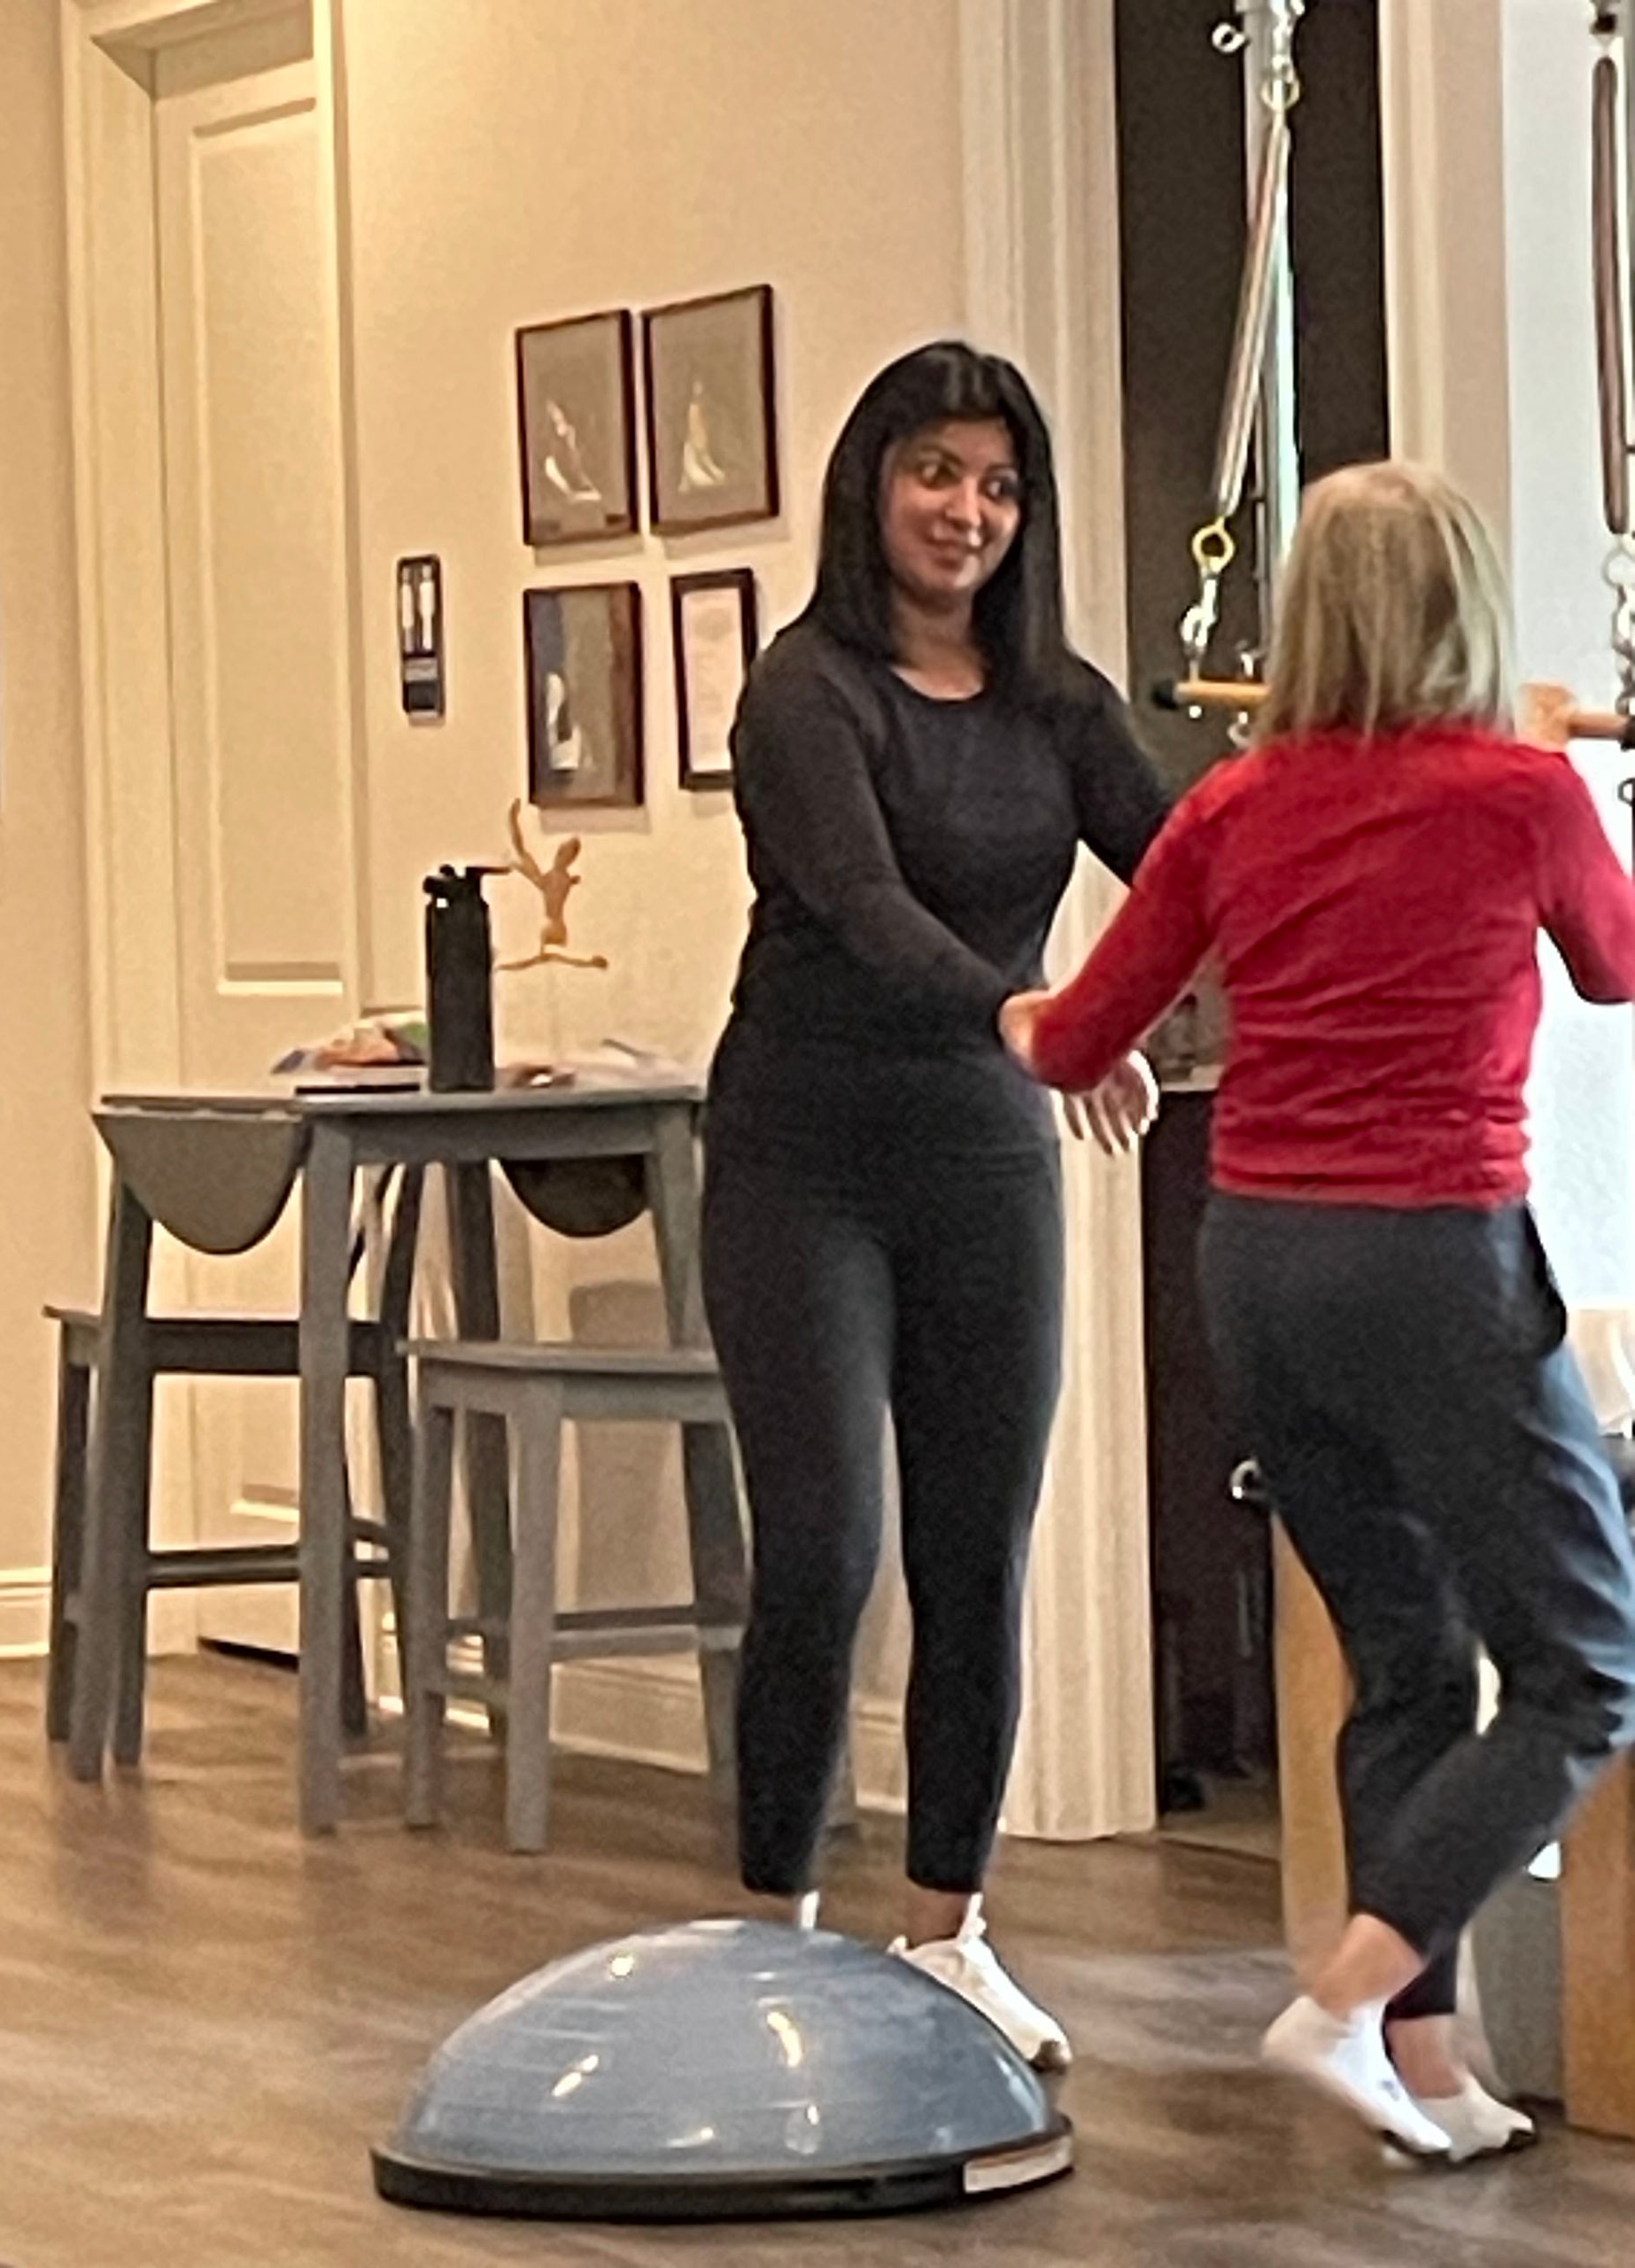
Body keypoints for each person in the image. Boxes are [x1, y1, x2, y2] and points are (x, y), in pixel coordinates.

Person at [1004, 460, 1635, 2157]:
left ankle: (1422, 2067)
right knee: (1590, 1668)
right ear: (1473, 620)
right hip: (1431, 1260)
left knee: (1413, 1665)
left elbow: (1074, 1040)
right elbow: (1619, 963)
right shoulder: (1522, 794)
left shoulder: (1231, 804)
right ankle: (1352, 1994)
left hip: (1262, 1267)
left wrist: (1007, 1022)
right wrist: (1557, 753)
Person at [700, 341, 1169, 2066]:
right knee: (825, 1546)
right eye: (936, 472)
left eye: (998, 483)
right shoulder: (805, 690)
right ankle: (775, 1932)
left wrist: (1360, 820)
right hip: (799, 1153)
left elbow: (1184, 857)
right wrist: (1033, 1013)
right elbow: (866, 903)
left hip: (982, 1158)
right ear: (872, 483)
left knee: (979, 1551)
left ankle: (952, 1929)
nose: (966, 510)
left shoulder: (1058, 701)